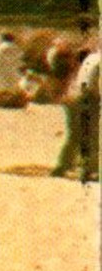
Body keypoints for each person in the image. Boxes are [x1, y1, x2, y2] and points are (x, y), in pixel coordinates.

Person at [52, 45, 99, 181]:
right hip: (86, 100)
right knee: (91, 136)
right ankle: (89, 169)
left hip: (71, 100)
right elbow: (93, 87)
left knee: (75, 135)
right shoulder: (96, 62)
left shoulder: (86, 63)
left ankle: (63, 167)